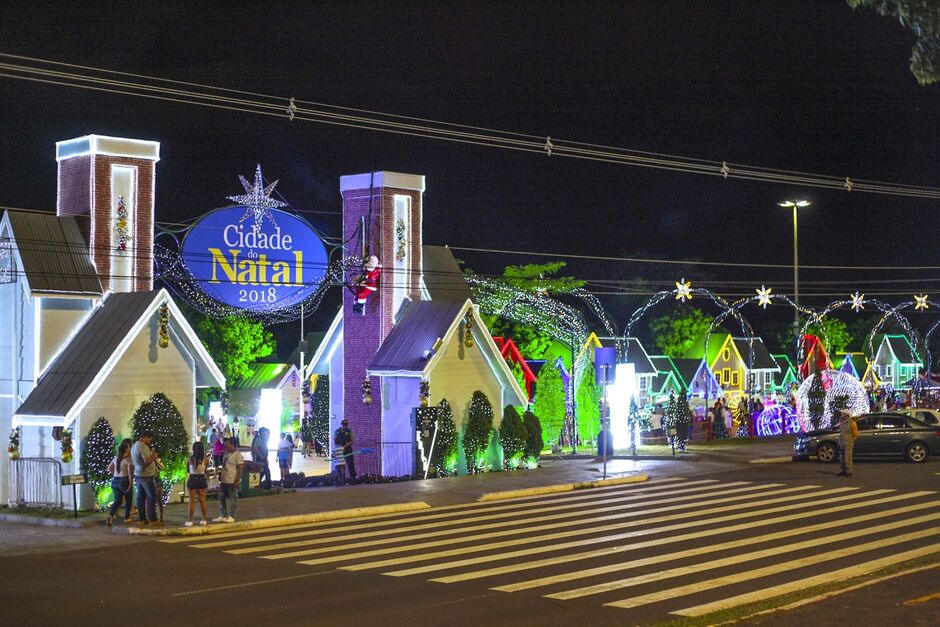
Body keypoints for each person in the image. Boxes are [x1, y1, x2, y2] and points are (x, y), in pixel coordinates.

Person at [130, 431, 163, 527]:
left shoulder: (134, 446)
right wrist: (154, 456)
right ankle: (153, 519)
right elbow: (147, 460)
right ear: (145, 437)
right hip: (146, 475)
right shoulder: (142, 446)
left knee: (141, 497)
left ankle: (142, 519)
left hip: (138, 474)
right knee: (152, 496)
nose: (149, 441)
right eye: (149, 439)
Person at [214, 438, 243, 523]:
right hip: (224, 479)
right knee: (221, 497)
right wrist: (220, 475)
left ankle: (232, 516)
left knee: (233, 498)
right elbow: (223, 465)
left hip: (231, 480)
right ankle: (223, 515)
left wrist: (237, 480)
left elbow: (241, 467)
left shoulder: (238, 455)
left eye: (228, 444)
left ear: (233, 444)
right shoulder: (227, 453)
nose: (226, 446)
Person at [106, 438, 134, 527]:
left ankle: (110, 515)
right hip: (124, 480)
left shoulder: (116, 458)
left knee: (118, 501)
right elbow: (130, 473)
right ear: (128, 448)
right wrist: (130, 483)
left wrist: (116, 473)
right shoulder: (129, 459)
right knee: (128, 499)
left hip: (115, 481)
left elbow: (109, 469)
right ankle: (127, 518)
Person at [185, 441, 209, 527]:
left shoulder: (190, 459)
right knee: (203, 500)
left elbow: (188, 470)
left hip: (192, 479)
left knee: (191, 501)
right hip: (202, 479)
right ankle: (204, 520)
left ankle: (190, 521)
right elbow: (205, 470)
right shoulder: (206, 459)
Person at [838, 411, 859, 477]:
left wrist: (852, 439)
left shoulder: (852, 423)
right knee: (841, 457)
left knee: (848, 457)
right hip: (842, 441)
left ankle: (849, 471)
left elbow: (855, 433)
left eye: (843, 413)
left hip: (848, 442)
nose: (841, 414)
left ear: (846, 415)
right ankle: (843, 470)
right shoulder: (841, 421)